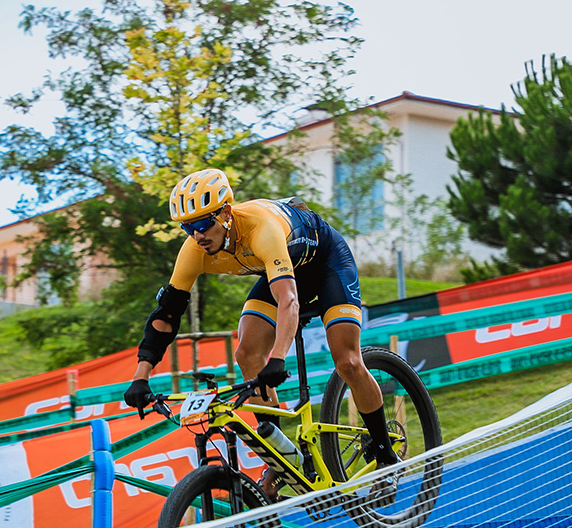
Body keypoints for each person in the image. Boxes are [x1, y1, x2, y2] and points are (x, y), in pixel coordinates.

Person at [122, 167, 399, 504]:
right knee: (246, 354)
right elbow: (166, 316)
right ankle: (281, 457)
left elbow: (289, 300)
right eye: (187, 228)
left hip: (325, 264)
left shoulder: (261, 229)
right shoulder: (193, 251)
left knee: (348, 361)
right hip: (280, 271)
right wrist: (141, 375)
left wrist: (278, 357)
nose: (196, 236)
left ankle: (386, 457)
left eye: (202, 224)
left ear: (226, 213)